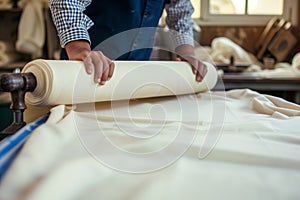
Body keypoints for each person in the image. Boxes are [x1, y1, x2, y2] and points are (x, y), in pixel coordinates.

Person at [49, 0, 207, 85]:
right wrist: (79, 48)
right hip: (86, 71)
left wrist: (186, 52)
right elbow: (67, 2)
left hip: (135, 76)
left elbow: (181, 10)